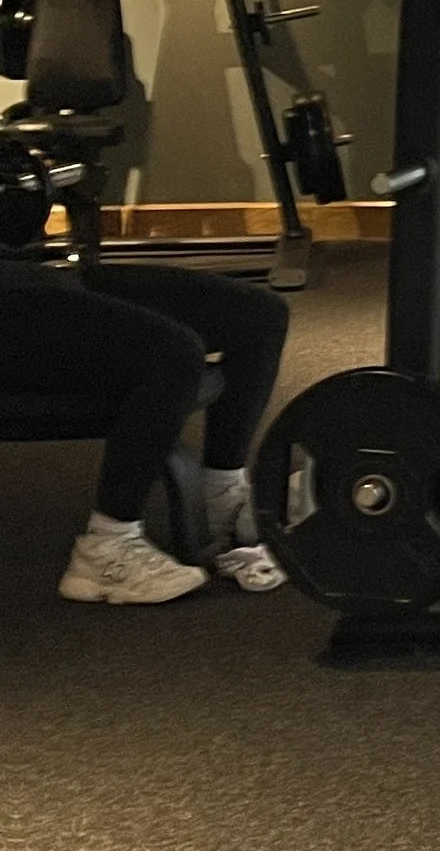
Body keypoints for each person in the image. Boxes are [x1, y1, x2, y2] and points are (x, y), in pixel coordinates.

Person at [0, 256, 291, 602]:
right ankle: (106, 546)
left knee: (260, 315)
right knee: (174, 355)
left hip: (32, 277)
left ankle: (221, 498)